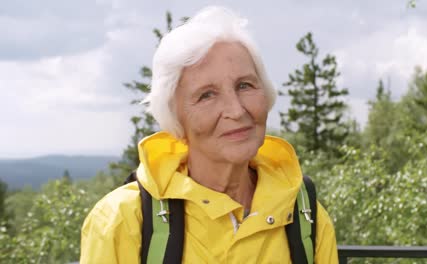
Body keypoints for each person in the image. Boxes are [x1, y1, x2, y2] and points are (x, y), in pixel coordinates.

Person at [80, 6, 338, 263]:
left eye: (245, 85)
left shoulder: (305, 215)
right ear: (175, 117)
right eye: (207, 95)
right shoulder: (121, 221)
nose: (236, 110)